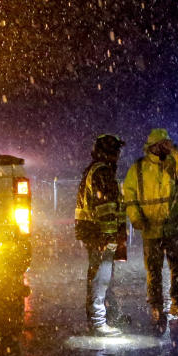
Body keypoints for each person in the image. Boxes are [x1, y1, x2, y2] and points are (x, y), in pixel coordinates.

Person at [122, 128, 178, 330]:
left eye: (167, 143)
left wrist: (175, 150)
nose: (164, 147)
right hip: (151, 228)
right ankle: (156, 307)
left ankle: (177, 304)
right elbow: (129, 195)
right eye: (161, 144)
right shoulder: (138, 168)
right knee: (153, 271)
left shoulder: (174, 162)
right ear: (152, 146)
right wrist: (136, 218)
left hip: (175, 227)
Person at [75, 133, 128, 336]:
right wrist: (108, 237)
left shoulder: (98, 170)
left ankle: (109, 315)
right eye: (116, 151)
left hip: (95, 233)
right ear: (110, 152)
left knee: (104, 275)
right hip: (100, 234)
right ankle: (98, 322)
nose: (118, 155)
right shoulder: (102, 172)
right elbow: (105, 207)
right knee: (101, 276)